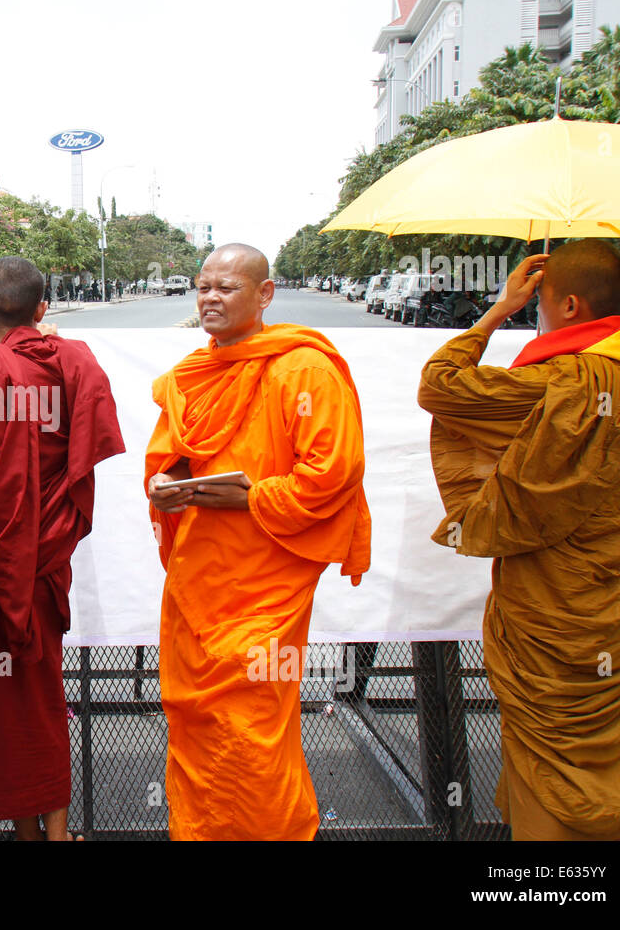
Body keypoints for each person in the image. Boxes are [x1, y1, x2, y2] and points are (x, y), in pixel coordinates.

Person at [417, 240, 620, 840]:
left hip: (550, 611)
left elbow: (440, 386)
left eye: (539, 303)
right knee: (611, 751)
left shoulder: (555, 385)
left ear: (569, 305)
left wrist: (498, 311)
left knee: (545, 758)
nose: (535, 312)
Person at [145, 243, 371, 841]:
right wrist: (165, 485)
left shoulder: (304, 370)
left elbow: (333, 473)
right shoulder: (195, 373)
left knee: (252, 726)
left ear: (265, 294)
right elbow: (174, 455)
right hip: (200, 576)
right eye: (203, 287)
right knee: (195, 719)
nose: (210, 299)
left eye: (226, 288)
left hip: (266, 584)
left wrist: (249, 498)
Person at [0, 257, 124, 841]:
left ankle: (33, 836)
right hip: (37, 575)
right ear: (43, 309)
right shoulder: (72, 373)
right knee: (39, 707)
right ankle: (49, 836)